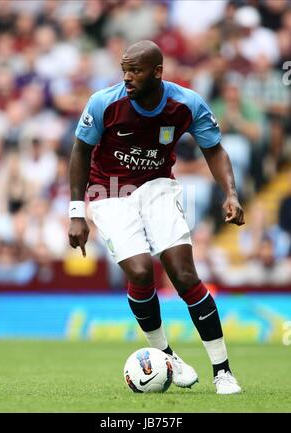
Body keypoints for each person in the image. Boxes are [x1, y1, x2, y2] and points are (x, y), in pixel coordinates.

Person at [68, 40, 245, 395]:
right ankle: (168, 356)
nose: (128, 78)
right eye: (124, 70)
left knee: (183, 273)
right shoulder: (104, 103)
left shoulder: (187, 103)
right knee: (140, 271)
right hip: (110, 190)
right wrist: (76, 212)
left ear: (158, 72)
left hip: (158, 187)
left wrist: (231, 193)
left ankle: (222, 370)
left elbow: (214, 149)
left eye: (135, 71)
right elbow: (80, 152)